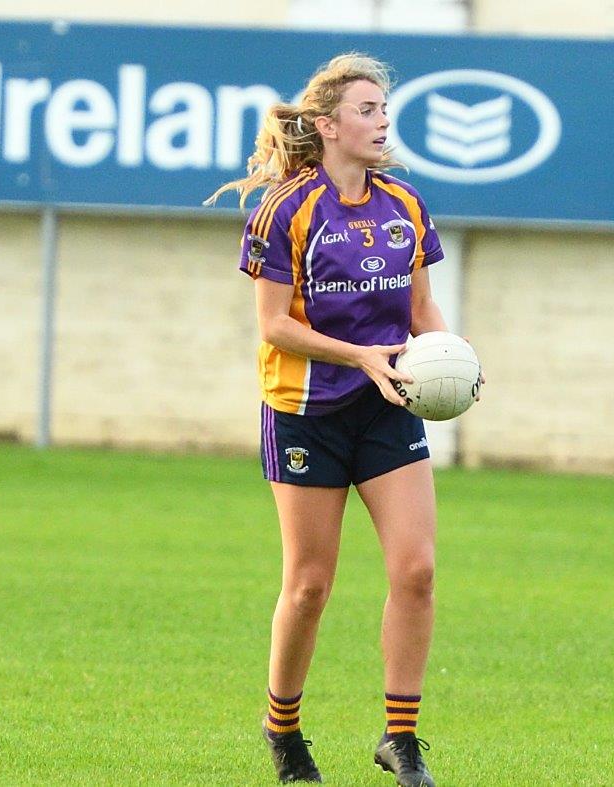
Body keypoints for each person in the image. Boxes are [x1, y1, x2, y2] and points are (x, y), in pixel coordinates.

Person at [207, 53, 470, 786]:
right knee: (310, 585)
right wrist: (360, 355)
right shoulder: (287, 210)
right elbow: (274, 327)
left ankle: (402, 738)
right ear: (327, 125)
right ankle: (284, 731)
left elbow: (421, 313)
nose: (381, 120)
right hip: (304, 413)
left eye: (385, 109)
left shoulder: (406, 206)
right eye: (366, 109)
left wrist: (453, 359)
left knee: (416, 571)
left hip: (385, 409)